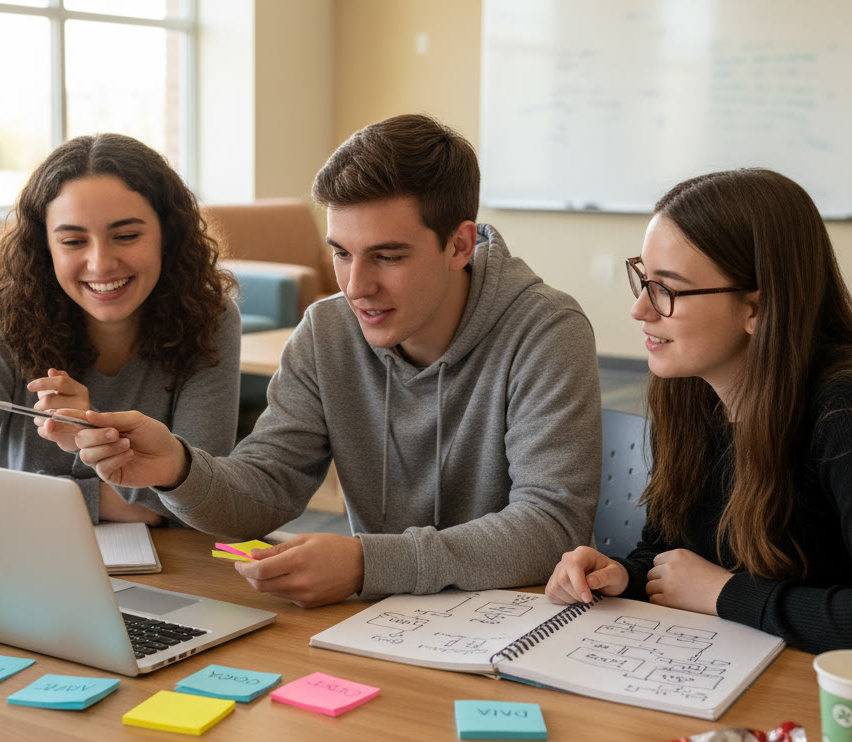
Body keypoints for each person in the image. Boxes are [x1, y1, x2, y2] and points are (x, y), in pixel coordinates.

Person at [50, 114, 602, 608]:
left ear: (459, 246)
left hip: (518, 620)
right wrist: (178, 468)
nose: (356, 286)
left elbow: (551, 524)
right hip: (380, 621)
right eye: (341, 253)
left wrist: (368, 563)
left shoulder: (545, 330)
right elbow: (266, 489)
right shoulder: (327, 331)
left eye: (387, 256)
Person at [544, 168, 852, 676]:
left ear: (757, 309)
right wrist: (621, 576)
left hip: (837, 700)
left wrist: (726, 594)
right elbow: (670, 557)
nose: (639, 310)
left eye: (666, 289)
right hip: (729, 671)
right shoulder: (692, 390)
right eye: (643, 279)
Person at [0, 133, 241, 525]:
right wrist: (145, 505)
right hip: (23, 553)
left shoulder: (211, 317)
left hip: (173, 564)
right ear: (45, 249)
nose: (101, 264)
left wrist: (52, 478)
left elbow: (204, 499)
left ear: (167, 236)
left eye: (126, 236)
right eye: (73, 241)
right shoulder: (0, 319)